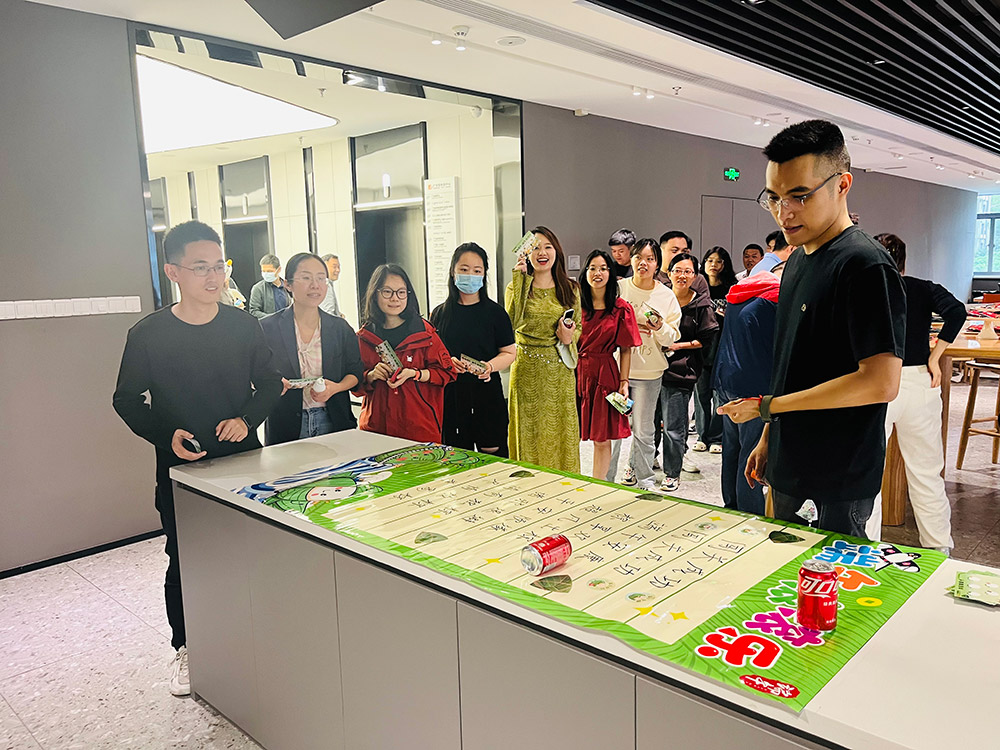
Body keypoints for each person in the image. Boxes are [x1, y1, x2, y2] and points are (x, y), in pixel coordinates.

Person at [113, 221, 283, 697]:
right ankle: (186, 646)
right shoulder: (148, 334)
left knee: (250, 550)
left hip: (242, 461)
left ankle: (251, 636)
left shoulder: (243, 326)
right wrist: (165, 435)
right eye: (200, 267)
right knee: (184, 556)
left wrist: (247, 420)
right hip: (180, 467)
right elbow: (126, 399)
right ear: (173, 272)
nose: (213, 277)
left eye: (219, 266)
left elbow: (270, 383)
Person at [719, 119, 905, 538]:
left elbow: (880, 383)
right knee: (777, 568)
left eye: (800, 196)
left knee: (838, 574)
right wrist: (769, 435)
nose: (784, 212)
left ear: (842, 185)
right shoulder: (797, 260)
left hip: (842, 469)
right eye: (774, 197)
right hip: (789, 455)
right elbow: (791, 361)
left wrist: (768, 408)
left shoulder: (865, 264)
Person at [865, 233, 965, 552]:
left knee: (869, 474)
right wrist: (936, 356)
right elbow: (957, 312)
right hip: (920, 381)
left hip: (876, 384)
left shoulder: (863, 289)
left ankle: (867, 547)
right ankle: (939, 548)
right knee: (926, 473)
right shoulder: (922, 288)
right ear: (904, 263)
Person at [260, 252, 364, 445]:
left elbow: (356, 372)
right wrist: (272, 385)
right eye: (306, 278)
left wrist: (336, 387)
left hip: (334, 420)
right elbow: (253, 375)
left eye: (321, 278)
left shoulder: (340, 328)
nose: (315, 285)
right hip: (285, 423)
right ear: (288, 284)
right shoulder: (267, 328)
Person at [506, 226, 582, 472]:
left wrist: (569, 336)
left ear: (556, 251)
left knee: (561, 429)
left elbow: (579, 325)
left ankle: (565, 482)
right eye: (536, 247)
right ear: (526, 253)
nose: (542, 252)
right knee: (528, 430)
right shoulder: (515, 286)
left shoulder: (570, 288)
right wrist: (520, 280)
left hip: (559, 367)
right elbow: (511, 323)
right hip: (526, 367)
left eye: (548, 247)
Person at [430, 243, 516, 455]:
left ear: (484, 274)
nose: (470, 275)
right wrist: (448, 362)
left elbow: (509, 353)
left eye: (477, 270)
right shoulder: (439, 314)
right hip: (452, 395)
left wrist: (489, 366)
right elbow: (432, 355)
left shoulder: (496, 313)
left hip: (487, 394)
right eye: (464, 269)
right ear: (453, 271)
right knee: (457, 456)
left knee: (492, 453)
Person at [355, 264, 455, 442]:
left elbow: (447, 373)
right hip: (376, 429)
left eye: (401, 292)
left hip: (418, 429)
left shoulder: (425, 333)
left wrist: (415, 374)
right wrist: (371, 375)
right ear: (375, 293)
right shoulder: (364, 336)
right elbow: (354, 384)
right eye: (387, 292)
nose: (395, 298)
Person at [714, 266, 783, 514]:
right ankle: (749, 513)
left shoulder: (739, 293)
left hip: (726, 379)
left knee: (731, 449)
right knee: (752, 452)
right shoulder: (774, 298)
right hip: (755, 386)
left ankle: (731, 505)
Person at [618, 238, 681, 490]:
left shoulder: (665, 295)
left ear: (657, 264)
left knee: (644, 429)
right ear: (631, 259)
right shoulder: (619, 289)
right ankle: (607, 477)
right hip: (616, 370)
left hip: (648, 371)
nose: (643, 263)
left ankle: (644, 478)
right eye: (638, 257)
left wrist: (659, 327)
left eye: (650, 259)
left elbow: (672, 337)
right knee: (614, 431)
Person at [577, 249, 642, 480]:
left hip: (605, 373)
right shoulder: (575, 306)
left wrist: (624, 382)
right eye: (593, 268)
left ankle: (598, 483)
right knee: (570, 431)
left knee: (602, 437)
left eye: (603, 268)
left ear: (611, 274)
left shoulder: (621, 308)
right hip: (574, 371)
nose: (598, 273)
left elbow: (626, 348)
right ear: (585, 273)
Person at [659, 253, 718, 492]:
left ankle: (672, 473)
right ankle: (642, 464)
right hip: (653, 368)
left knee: (674, 427)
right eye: (678, 270)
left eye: (688, 272)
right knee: (648, 425)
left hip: (681, 370)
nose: (682, 276)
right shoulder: (660, 297)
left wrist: (677, 346)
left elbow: (706, 339)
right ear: (669, 273)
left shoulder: (701, 305)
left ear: (695, 276)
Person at [693, 246, 737, 454]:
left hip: (724, 347)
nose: (714, 265)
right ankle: (702, 436)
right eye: (710, 260)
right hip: (701, 348)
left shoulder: (732, 288)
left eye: (719, 261)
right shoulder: (697, 287)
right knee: (701, 394)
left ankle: (717, 438)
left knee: (720, 395)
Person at [657, 230, 710, 298]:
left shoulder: (697, 280)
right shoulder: (652, 277)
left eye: (684, 251)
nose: (680, 255)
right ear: (660, 251)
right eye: (674, 251)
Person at [249, 254, 291, 319]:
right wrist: (273, 318)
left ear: (279, 269)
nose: (266, 274)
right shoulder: (258, 288)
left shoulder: (288, 287)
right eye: (263, 271)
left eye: (269, 271)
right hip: (268, 324)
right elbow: (254, 311)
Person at [320, 253, 343, 317]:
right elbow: (328, 314)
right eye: (334, 267)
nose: (338, 270)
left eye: (338, 267)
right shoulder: (326, 285)